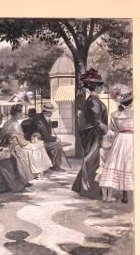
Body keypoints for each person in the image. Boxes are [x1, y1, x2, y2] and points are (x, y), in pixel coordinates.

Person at [72, 68, 108, 199]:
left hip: (94, 133)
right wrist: (108, 131)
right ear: (96, 87)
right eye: (100, 86)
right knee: (92, 160)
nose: (101, 88)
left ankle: (82, 187)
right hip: (94, 134)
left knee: (92, 160)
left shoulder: (93, 100)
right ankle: (89, 190)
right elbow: (97, 121)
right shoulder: (93, 101)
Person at [98, 84, 133, 203]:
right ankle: (126, 194)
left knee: (120, 165)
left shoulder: (115, 115)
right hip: (133, 140)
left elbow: (111, 132)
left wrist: (107, 142)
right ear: (131, 102)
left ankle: (124, 194)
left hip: (120, 141)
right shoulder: (136, 114)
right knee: (129, 164)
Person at [0, 104, 35, 184]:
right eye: (20, 113)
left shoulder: (7, 122)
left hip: (7, 145)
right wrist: (28, 142)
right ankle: (24, 180)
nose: (22, 114)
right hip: (13, 147)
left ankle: (23, 180)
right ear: (15, 114)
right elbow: (20, 140)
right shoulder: (15, 125)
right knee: (27, 153)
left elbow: (2, 135)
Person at [29, 103, 64, 171]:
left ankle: (52, 164)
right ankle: (55, 166)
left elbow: (46, 134)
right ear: (47, 112)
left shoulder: (45, 118)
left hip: (43, 140)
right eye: (51, 112)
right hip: (37, 142)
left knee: (56, 144)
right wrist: (55, 139)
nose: (52, 113)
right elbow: (43, 134)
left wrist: (53, 139)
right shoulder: (38, 119)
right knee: (56, 145)